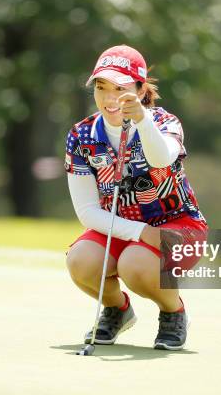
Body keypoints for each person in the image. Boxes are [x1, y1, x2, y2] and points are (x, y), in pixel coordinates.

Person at [64, 44, 208, 350]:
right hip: (121, 226)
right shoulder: (81, 135)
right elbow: (88, 212)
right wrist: (140, 231)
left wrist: (142, 121)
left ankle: (173, 311)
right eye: (101, 88)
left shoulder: (165, 123)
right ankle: (117, 309)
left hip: (179, 227)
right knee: (80, 261)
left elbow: (161, 159)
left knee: (135, 265)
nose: (109, 98)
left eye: (120, 88)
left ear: (141, 90)